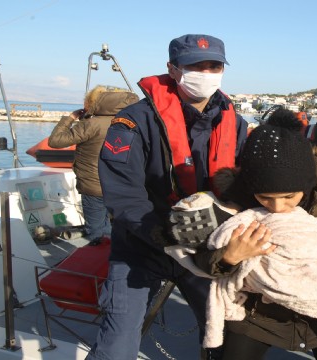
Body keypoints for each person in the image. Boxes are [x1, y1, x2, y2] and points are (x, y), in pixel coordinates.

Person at [171, 108, 317, 360]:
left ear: (306, 184)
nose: (277, 206)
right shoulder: (233, 198)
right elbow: (200, 255)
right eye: (264, 198)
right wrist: (228, 258)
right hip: (259, 313)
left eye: (288, 196)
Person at [86, 34, 248, 360]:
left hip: (206, 250)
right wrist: (161, 233)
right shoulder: (133, 121)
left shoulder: (238, 125)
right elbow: (124, 193)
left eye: (214, 65)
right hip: (141, 247)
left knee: (229, 340)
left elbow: (246, 188)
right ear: (173, 69)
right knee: (115, 347)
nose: (206, 72)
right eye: (195, 65)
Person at [48, 85, 139, 242]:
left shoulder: (91, 124)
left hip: (93, 186)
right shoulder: (130, 123)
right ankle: (109, 260)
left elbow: (55, 141)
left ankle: (96, 258)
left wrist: (70, 118)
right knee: (112, 228)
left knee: (96, 230)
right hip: (120, 185)